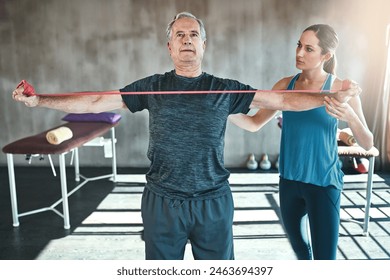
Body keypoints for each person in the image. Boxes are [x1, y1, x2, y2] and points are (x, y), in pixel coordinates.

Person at [12, 13, 360, 260]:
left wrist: (332, 96)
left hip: (213, 203)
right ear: (169, 47)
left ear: (204, 44)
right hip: (162, 202)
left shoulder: (224, 88)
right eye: (179, 34)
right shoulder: (153, 86)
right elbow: (96, 101)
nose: (187, 40)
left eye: (194, 34)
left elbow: (283, 100)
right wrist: (39, 100)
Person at [229, 24, 373, 260]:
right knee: (301, 253)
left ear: (325, 56)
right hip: (289, 182)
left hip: (323, 183)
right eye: (298, 45)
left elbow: (368, 142)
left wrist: (351, 117)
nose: (299, 53)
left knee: (325, 260)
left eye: (308, 49)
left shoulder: (340, 89)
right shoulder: (285, 85)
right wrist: (221, 109)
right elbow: (254, 124)